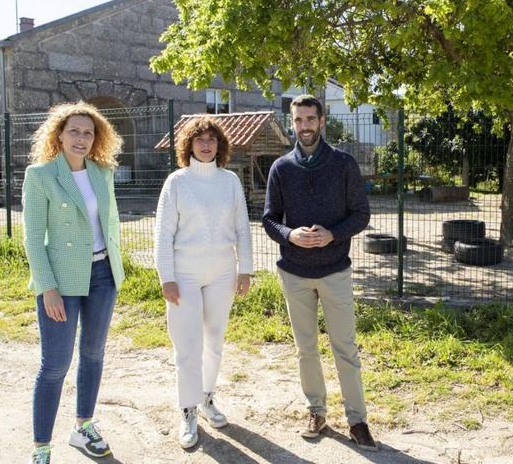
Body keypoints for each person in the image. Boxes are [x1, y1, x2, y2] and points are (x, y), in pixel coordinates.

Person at [262, 94, 378, 451]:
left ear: (322, 120)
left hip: (334, 272)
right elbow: (268, 218)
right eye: (298, 120)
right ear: (292, 123)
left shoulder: (343, 164)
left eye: (310, 119)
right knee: (305, 349)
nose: (304, 126)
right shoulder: (281, 168)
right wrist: (289, 234)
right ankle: (316, 411)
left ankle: (357, 419)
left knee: (345, 348)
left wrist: (333, 234)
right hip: (294, 273)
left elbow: (361, 214)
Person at [22, 102, 125, 464]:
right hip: (61, 282)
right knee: (54, 365)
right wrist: (46, 287)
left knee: (93, 355)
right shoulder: (41, 175)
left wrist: (115, 268)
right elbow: (34, 237)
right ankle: (41, 448)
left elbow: (107, 225)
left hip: (102, 276)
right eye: (74, 131)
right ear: (59, 135)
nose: (81, 138)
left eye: (88, 132)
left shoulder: (102, 172)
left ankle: (84, 428)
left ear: (97, 137)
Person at [154, 116, 253, 449]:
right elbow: (163, 234)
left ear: (220, 145)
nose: (206, 144)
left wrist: (245, 269)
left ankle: (207, 398)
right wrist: (166, 277)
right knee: (188, 345)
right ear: (189, 144)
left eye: (212, 139)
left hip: (223, 272)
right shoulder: (177, 182)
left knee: (215, 340)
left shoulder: (230, 182)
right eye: (200, 139)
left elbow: (242, 227)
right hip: (184, 274)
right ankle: (188, 409)